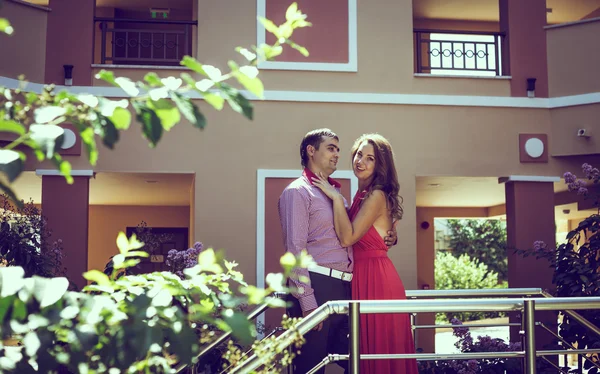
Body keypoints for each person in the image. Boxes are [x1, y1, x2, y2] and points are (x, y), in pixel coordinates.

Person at [278, 129, 397, 374]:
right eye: (331, 148)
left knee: (358, 362)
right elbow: (294, 251)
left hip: (347, 289)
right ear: (311, 151)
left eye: (339, 150)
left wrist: (391, 235)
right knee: (309, 367)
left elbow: (362, 233)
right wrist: (308, 302)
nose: (338, 155)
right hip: (316, 287)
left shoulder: (339, 198)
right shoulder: (297, 192)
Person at [312, 133, 418, 374]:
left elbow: (348, 237)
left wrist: (335, 198)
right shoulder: (362, 195)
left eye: (370, 158)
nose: (361, 161)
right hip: (361, 277)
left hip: (377, 281)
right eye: (359, 154)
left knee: (375, 352)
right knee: (362, 352)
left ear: (380, 166)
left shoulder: (376, 195)